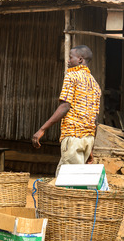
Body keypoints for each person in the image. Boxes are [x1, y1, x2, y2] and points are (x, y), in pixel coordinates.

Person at [32, 45, 101, 176]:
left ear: (80, 59)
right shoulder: (95, 84)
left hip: (73, 136)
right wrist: (91, 149)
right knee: (77, 180)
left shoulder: (72, 76)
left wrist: (42, 129)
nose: (68, 60)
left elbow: (65, 106)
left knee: (67, 181)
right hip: (88, 139)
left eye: (70, 57)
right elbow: (95, 119)